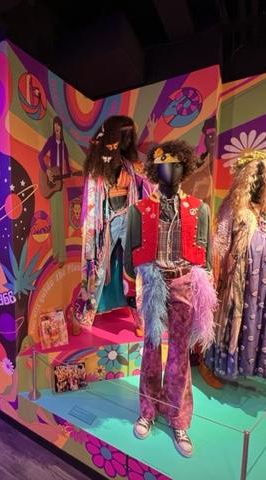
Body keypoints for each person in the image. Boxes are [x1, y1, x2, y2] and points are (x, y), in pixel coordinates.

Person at [125, 140, 216, 458]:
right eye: (164, 164)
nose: (171, 170)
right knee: (151, 350)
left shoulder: (198, 209)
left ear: (185, 167)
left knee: (179, 353)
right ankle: (147, 411)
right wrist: (131, 288)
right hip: (153, 282)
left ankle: (178, 418)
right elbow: (129, 253)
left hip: (184, 282)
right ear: (154, 169)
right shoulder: (139, 210)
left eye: (177, 164)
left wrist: (205, 290)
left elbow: (206, 255)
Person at [199, 149, 266, 412]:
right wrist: (214, 277)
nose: (259, 183)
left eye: (265, 178)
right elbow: (220, 243)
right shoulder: (233, 207)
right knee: (229, 321)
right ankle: (208, 363)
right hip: (240, 281)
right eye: (255, 177)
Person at [72, 116, 151, 336]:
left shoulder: (130, 165)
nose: (126, 141)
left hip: (129, 218)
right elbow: (92, 199)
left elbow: (149, 186)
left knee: (134, 269)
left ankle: (141, 318)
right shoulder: (97, 168)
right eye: (122, 136)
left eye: (129, 137)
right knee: (97, 269)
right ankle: (84, 315)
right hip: (106, 222)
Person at [38, 116, 71, 266]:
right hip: (52, 183)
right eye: (55, 125)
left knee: (60, 219)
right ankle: (56, 253)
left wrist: (69, 173)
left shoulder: (63, 144)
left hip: (60, 183)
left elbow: (67, 163)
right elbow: (40, 156)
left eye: (59, 125)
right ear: (53, 127)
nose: (57, 128)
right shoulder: (51, 141)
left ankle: (62, 255)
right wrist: (47, 171)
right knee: (55, 218)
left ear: (61, 128)